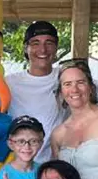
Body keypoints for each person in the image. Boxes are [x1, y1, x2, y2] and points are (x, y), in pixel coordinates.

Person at [5, 21, 65, 161]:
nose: (43, 50)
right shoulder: (9, 83)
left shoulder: (66, 77)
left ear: (56, 47)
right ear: (26, 48)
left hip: (56, 165)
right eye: (35, 43)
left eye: (49, 43)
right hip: (19, 165)